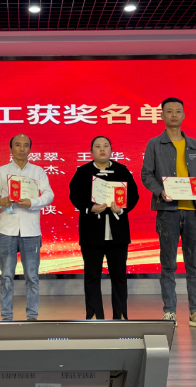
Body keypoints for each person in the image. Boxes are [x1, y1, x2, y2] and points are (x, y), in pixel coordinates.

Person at [140, 98, 196, 329]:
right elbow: (146, 175)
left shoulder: (194, 144)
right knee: (168, 264)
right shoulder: (154, 144)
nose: (174, 114)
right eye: (169, 111)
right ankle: (169, 312)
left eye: (178, 111)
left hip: (192, 211)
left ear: (183, 115)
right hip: (167, 212)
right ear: (162, 115)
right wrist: (160, 192)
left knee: (194, 264)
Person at [68, 136, 139, 320]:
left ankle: (120, 315)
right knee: (92, 276)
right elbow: (74, 195)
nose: (102, 149)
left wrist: (121, 209)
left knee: (119, 276)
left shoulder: (121, 170)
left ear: (111, 150)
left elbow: (133, 196)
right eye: (97, 146)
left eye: (106, 146)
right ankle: (94, 315)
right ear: (91, 151)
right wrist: (89, 208)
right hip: (92, 233)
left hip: (118, 233)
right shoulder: (83, 172)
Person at [0, 134, 54, 321]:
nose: (22, 149)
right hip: (7, 231)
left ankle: (32, 316)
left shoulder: (38, 171)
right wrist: (0, 201)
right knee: (6, 276)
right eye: (17, 145)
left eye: (26, 145)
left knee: (32, 276)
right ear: (11, 149)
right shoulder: (1, 171)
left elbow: (49, 195)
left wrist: (32, 202)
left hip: (31, 231)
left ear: (30, 150)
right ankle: (6, 316)